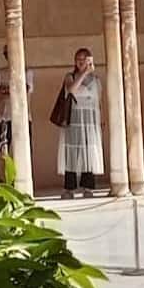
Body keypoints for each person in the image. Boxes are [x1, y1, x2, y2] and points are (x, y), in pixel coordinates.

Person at [54, 47, 104, 198]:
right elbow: (71, 90)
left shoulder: (96, 80)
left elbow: (98, 102)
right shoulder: (70, 76)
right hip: (73, 120)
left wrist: (101, 120)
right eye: (78, 59)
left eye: (84, 59)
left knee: (88, 152)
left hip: (90, 121)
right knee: (72, 152)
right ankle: (69, 188)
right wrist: (84, 73)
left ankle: (87, 187)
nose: (81, 62)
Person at [0, 54, 32, 183]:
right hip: (3, 117)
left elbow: (25, 90)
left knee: (23, 152)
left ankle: (22, 181)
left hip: (23, 117)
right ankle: (3, 182)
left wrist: (5, 90)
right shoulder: (0, 73)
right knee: (2, 151)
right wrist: (8, 91)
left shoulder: (27, 72)